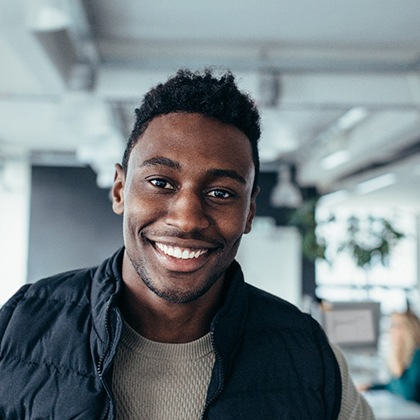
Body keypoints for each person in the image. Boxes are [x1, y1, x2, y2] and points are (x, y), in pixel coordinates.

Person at [0, 68, 373, 419]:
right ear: (119, 191)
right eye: (161, 183)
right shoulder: (18, 327)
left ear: (249, 212)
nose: (187, 219)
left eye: (221, 192)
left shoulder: (310, 358)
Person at [365, 310, 420, 403]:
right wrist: (370, 387)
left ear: (409, 330)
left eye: (396, 326)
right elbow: (392, 386)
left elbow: (409, 396)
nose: (390, 330)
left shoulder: (417, 356)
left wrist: (398, 370)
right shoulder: (403, 355)